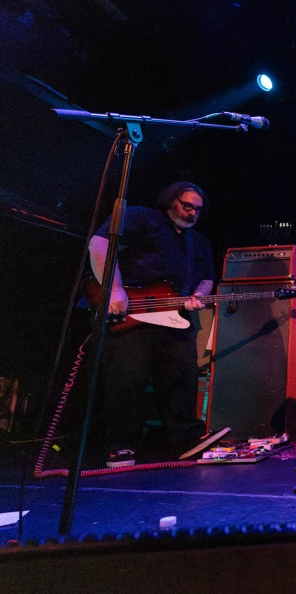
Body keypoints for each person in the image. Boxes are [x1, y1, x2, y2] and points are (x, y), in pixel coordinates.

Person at [89, 181, 229, 468]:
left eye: (198, 210)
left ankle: (185, 442)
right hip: (131, 312)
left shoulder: (198, 241)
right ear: (170, 200)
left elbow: (206, 278)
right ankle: (121, 446)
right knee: (127, 379)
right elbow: (100, 243)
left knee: (182, 377)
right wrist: (114, 289)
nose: (192, 213)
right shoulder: (143, 217)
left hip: (174, 316)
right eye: (187, 205)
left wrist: (199, 296)